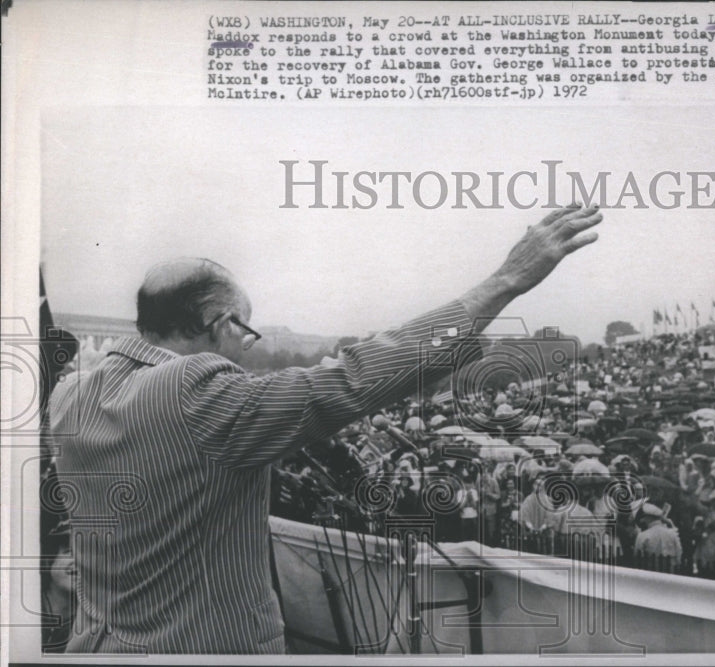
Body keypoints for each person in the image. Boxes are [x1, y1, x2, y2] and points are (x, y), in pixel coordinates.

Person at [47, 204, 603, 654]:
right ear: (218, 324)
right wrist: (504, 283)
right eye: (246, 330)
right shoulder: (196, 389)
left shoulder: (70, 396)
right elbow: (350, 379)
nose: (247, 347)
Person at [633, 503, 683, 572]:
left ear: (649, 518)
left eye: (644, 517)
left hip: (649, 575)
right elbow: (679, 558)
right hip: (670, 575)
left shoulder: (642, 536)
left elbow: (637, 559)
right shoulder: (673, 534)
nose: (643, 520)